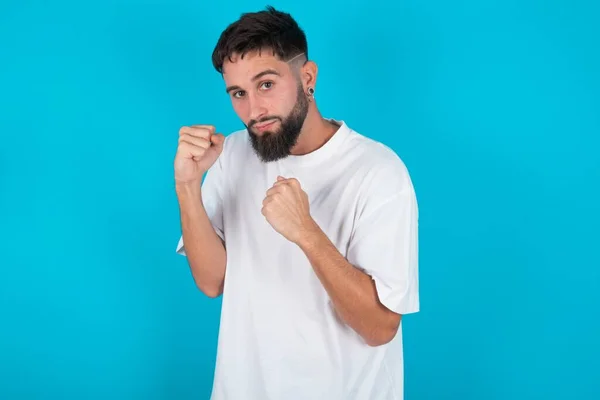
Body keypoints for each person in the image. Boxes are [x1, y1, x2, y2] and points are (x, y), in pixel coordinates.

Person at [174, 6, 419, 400]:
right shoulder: (233, 154)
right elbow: (212, 281)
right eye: (239, 93)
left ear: (307, 77)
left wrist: (306, 232)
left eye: (266, 84)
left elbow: (380, 328)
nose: (253, 110)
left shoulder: (377, 171)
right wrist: (187, 185)